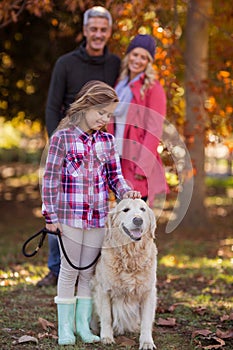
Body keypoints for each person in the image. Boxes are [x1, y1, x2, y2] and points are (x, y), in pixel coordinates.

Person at [41, 80, 141, 345]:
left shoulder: (107, 141)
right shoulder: (62, 138)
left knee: (88, 273)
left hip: (97, 218)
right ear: (86, 106)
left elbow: (115, 178)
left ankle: (82, 326)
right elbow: (50, 180)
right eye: (101, 112)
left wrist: (126, 192)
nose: (105, 119)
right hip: (70, 217)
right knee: (69, 271)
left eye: (109, 114)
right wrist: (50, 217)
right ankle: (64, 329)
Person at [37, 6, 121, 287]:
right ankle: (56, 267)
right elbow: (52, 105)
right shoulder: (65, 63)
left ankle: (86, 269)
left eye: (103, 30)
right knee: (62, 201)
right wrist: (58, 142)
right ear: (85, 31)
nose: (98, 34)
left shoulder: (114, 64)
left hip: (97, 140)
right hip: (67, 140)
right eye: (93, 29)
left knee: (89, 199)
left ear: (109, 32)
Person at [107, 34, 169, 207]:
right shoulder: (120, 84)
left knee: (132, 222)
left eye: (144, 57)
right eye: (135, 54)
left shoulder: (153, 87)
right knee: (118, 219)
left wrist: (142, 167)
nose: (138, 60)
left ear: (149, 62)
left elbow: (154, 130)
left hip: (135, 164)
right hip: (117, 158)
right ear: (128, 56)